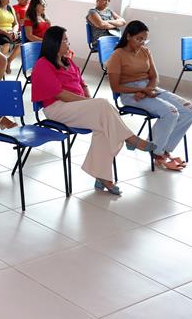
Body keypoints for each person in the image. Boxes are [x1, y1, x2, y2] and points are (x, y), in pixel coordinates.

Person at [31, 26, 157, 195]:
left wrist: (89, 101)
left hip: (76, 106)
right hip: (57, 108)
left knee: (103, 124)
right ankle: (130, 138)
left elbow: (83, 84)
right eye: (65, 40)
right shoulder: (43, 64)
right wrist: (89, 103)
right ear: (54, 43)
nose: (68, 43)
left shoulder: (67, 61)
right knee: (102, 106)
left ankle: (102, 176)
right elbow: (60, 94)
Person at [107, 21, 192, 171]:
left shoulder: (145, 51)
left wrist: (146, 90)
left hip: (149, 88)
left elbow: (154, 76)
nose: (142, 43)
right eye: (138, 39)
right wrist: (141, 91)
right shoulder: (117, 55)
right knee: (171, 112)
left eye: (144, 40)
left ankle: (163, 149)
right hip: (129, 94)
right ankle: (157, 152)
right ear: (128, 36)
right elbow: (115, 87)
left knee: (190, 110)